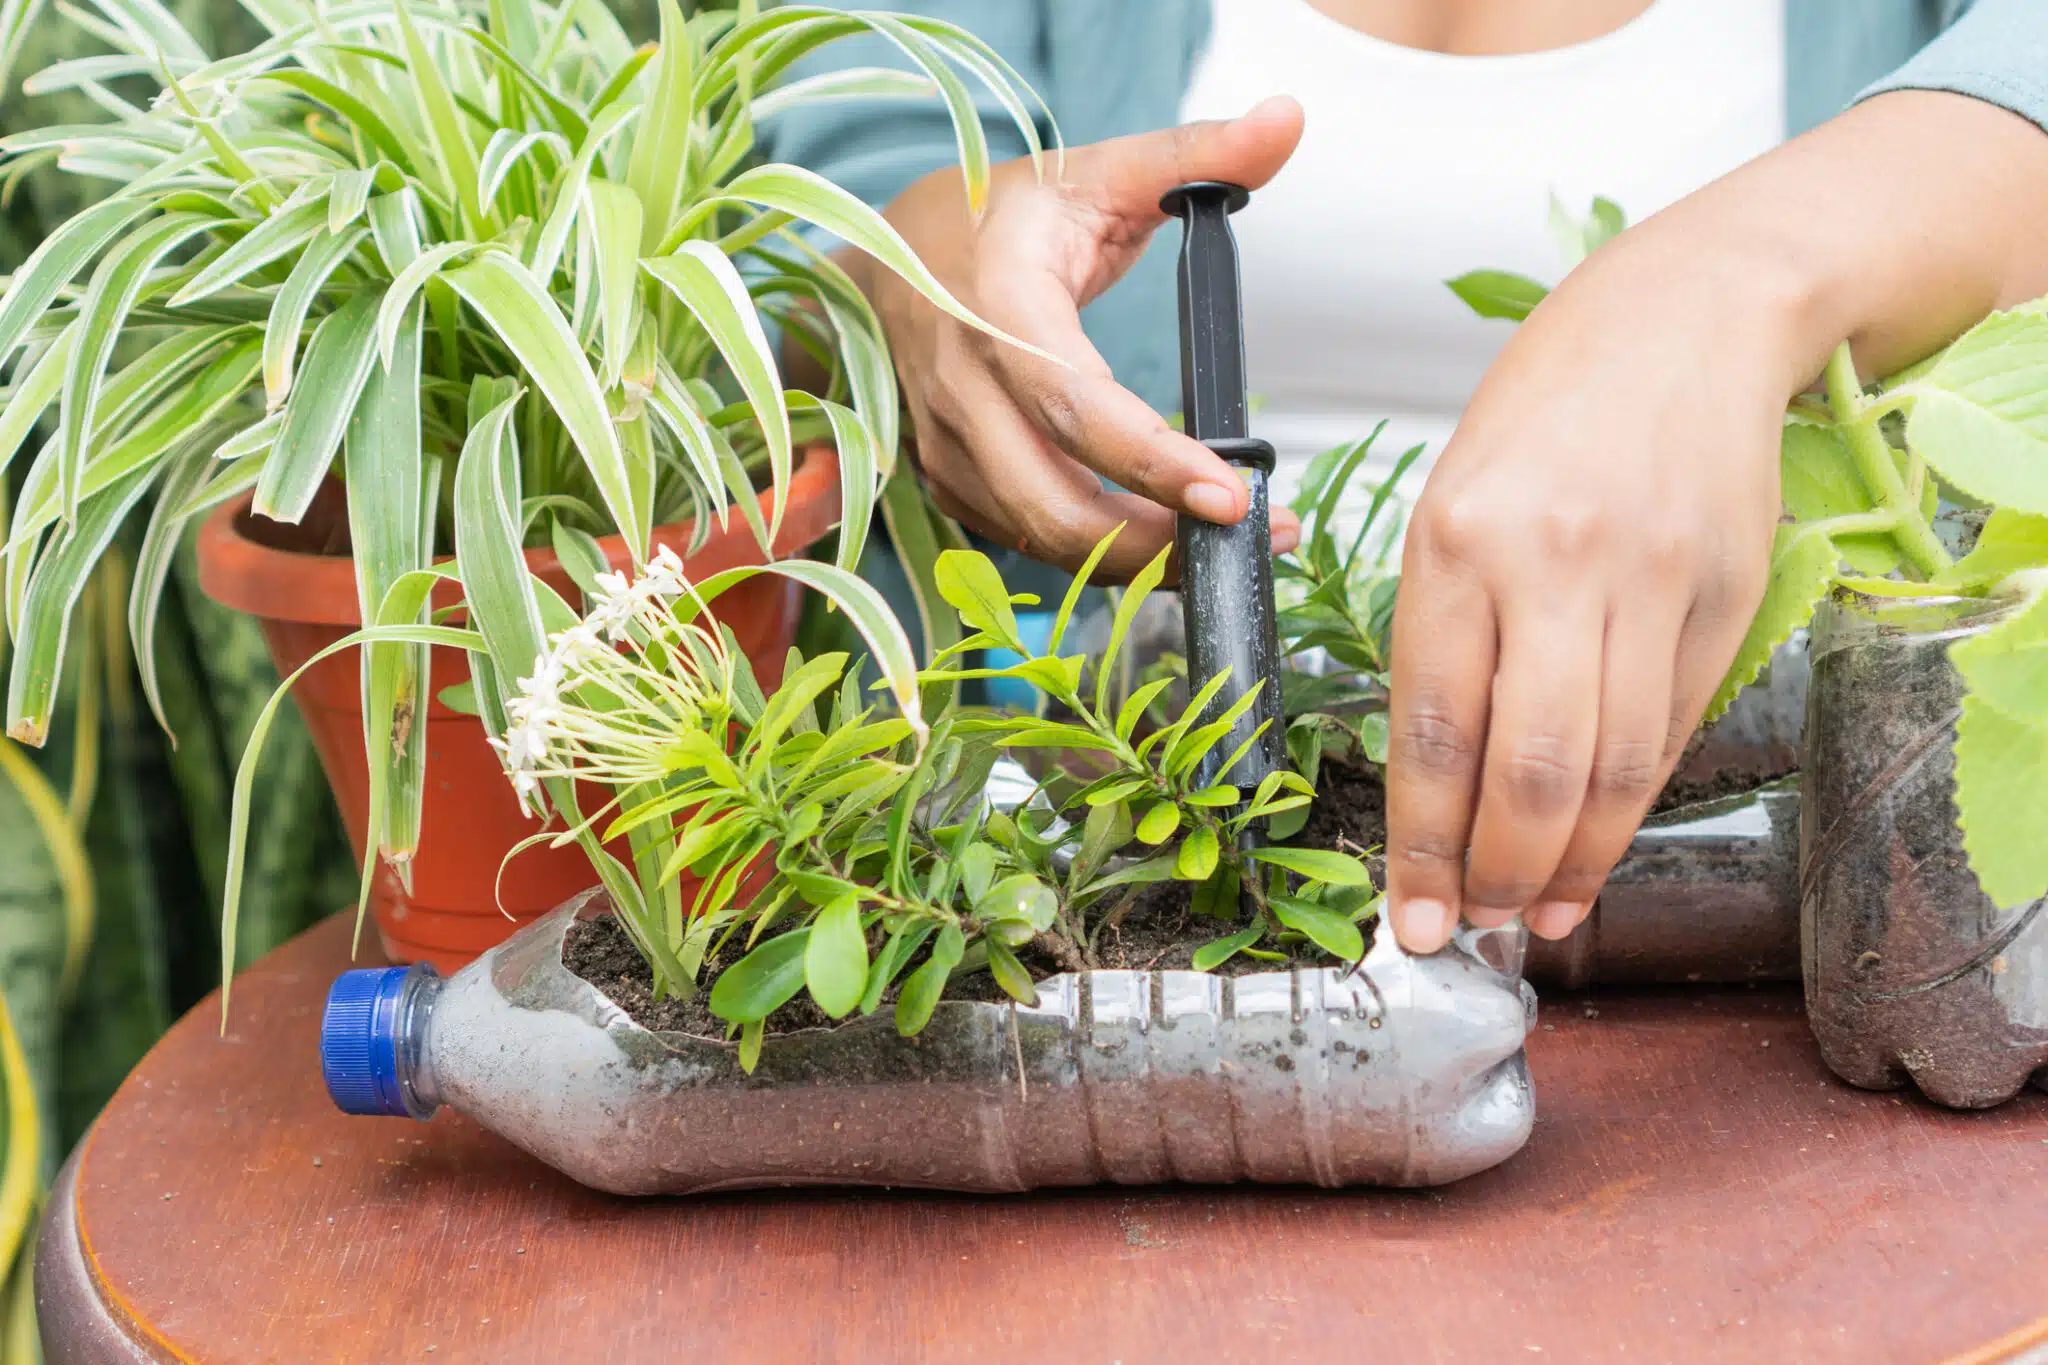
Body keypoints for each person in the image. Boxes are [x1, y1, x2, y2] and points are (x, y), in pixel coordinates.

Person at [763, 0, 2048, 954]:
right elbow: (839, 149)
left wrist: (1729, 280)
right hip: (1091, 858)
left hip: (1778, 874)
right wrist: (916, 266)